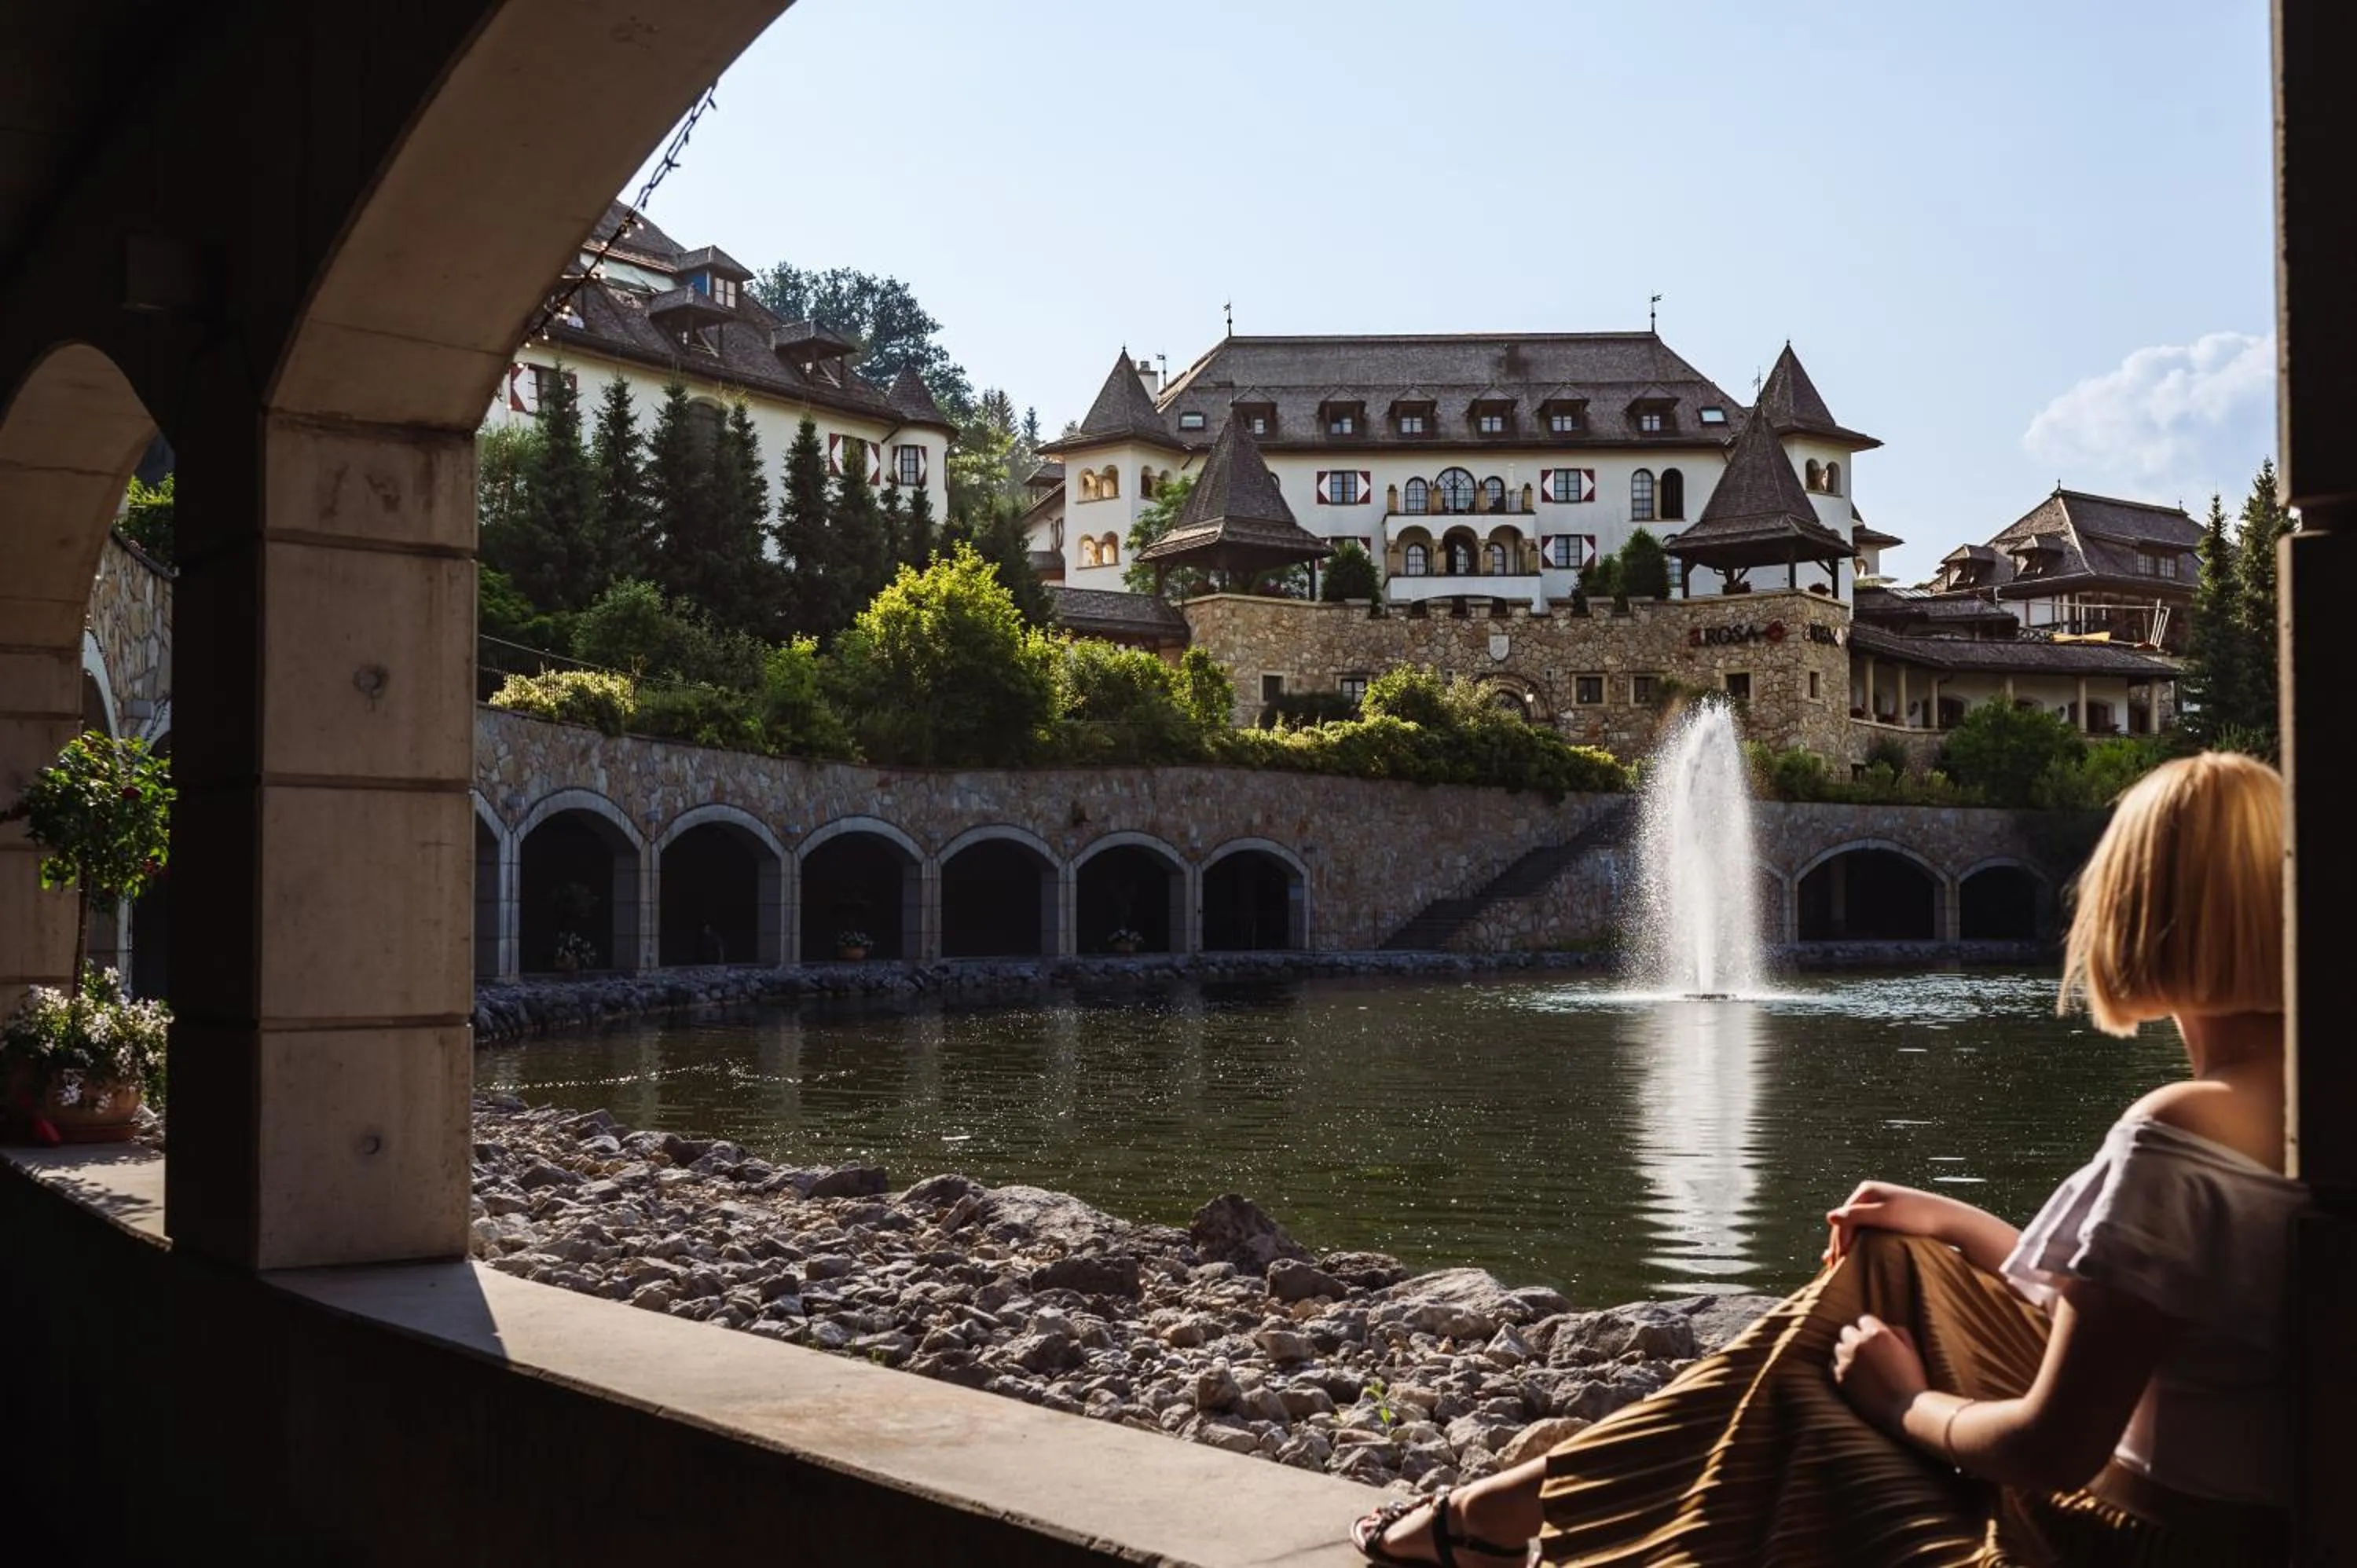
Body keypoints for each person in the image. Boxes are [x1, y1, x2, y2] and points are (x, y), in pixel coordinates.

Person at [1353, 752, 2300, 1565]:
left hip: (2114, 1544)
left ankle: (1488, 1519)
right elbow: (2173, 1313)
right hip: (2242, 1523)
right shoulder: (2310, 1104)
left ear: (2133, 911)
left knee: (1814, 1381)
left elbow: (2052, 1448)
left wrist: (1905, 1401)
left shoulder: (2179, 1130)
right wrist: (1957, 1224)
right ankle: (1491, 1517)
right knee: (1892, 1263)